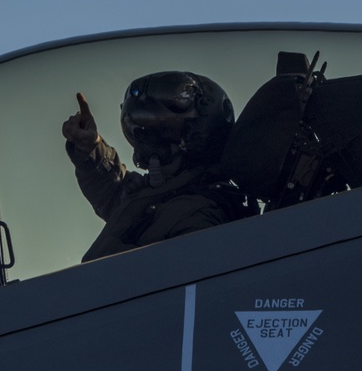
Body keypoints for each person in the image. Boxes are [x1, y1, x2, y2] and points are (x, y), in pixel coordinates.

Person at [62, 71, 253, 262]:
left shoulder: (197, 213)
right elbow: (116, 191)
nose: (148, 141)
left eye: (160, 133)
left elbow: (176, 281)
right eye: (145, 133)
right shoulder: (163, 194)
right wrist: (91, 147)